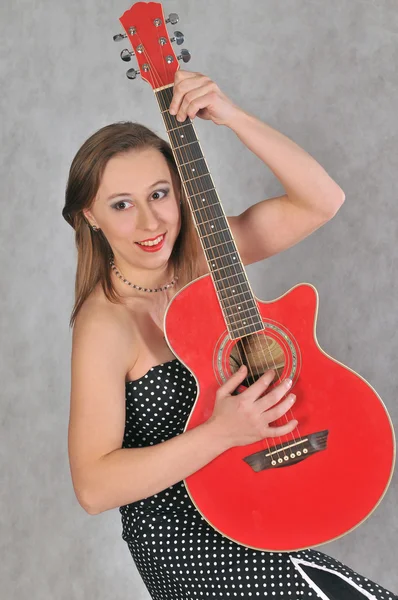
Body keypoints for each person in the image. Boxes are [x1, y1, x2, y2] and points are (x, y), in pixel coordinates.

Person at [63, 70, 396, 600]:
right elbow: (93, 487)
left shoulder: (208, 261)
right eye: (121, 204)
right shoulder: (106, 323)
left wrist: (232, 116)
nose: (151, 222)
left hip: (258, 520)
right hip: (189, 551)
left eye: (159, 193)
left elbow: (322, 200)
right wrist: (222, 431)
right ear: (91, 216)